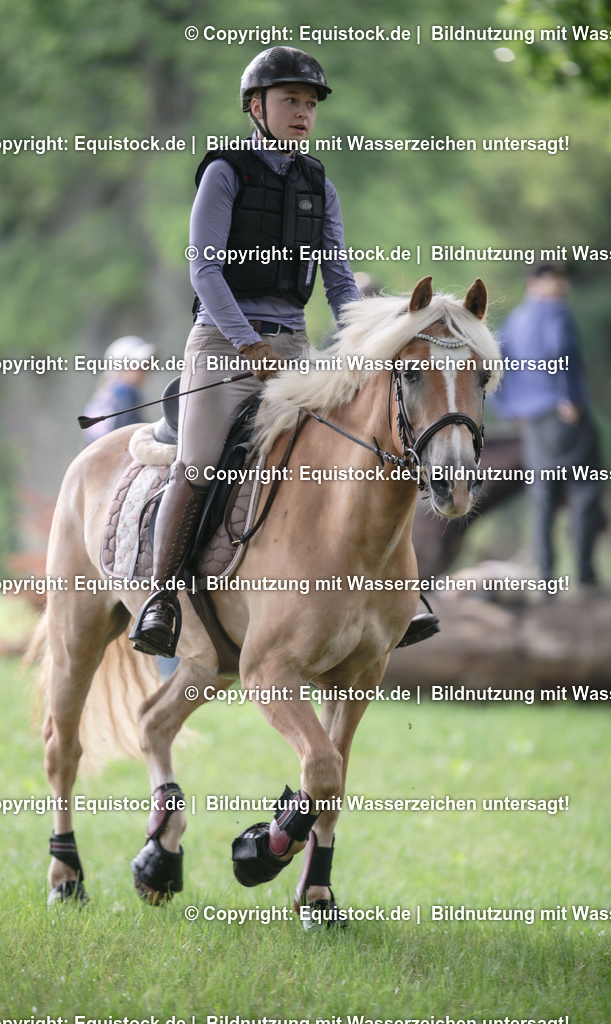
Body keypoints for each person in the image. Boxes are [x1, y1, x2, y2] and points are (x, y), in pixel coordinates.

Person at [129, 46, 436, 657]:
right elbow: (205, 271)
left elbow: (340, 276)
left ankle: (395, 592)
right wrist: (245, 343)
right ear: (256, 107)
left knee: (354, 450)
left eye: (310, 104)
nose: (302, 113)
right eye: (290, 101)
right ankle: (161, 599)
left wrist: (364, 339)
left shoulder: (318, 183)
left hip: (294, 343)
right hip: (223, 343)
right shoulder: (225, 173)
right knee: (199, 463)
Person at [493, 264, 606, 585]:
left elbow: (494, 363)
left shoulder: (515, 319)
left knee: (542, 495)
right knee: (585, 490)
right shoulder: (556, 312)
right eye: (556, 279)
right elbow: (563, 352)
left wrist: (509, 407)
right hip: (563, 416)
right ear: (536, 283)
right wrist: (570, 399)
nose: (562, 285)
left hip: (532, 421)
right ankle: (585, 576)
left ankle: (545, 579)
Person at [82, 335, 155, 445]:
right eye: (142, 365)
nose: (146, 371)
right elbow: (140, 439)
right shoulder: (126, 393)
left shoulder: (101, 397)